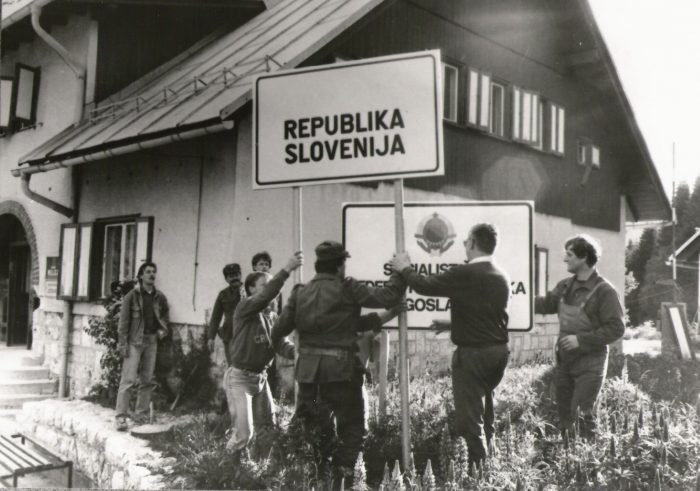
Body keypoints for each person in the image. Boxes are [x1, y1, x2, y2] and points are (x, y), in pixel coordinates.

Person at [271, 240, 406, 480]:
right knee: (353, 427)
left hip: (308, 375)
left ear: (318, 265)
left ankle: (310, 477)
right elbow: (389, 295)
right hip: (342, 373)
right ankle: (343, 477)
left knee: (309, 427)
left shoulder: (300, 292)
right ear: (340, 265)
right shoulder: (347, 288)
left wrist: (299, 353)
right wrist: (399, 270)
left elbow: (278, 331)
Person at [390, 223, 510, 469]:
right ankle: (492, 462)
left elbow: (424, 286)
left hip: (473, 355)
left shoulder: (464, 273)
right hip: (497, 353)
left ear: (474, 244)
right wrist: (453, 324)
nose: (464, 245)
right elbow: (485, 315)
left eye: (466, 241)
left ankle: (479, 473)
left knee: (469, 418)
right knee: (486, 410)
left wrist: (405, 269)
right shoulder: (500, 274)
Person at [535, 234, 624, 438]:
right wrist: (515, 299)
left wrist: (581, 340)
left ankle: (588, 464)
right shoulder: (565, 286)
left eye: (569, 254)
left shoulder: (605, 291)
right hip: (565, 361)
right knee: (565, 415)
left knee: (582, 415)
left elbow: (616, 328)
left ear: (584, 257)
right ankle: (569, 463)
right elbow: (545, 304)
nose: (565, 259)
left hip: (590, 364)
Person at [223, 252, 303, 456]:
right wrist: (287, 270)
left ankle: (260, 468)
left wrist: (297, 353)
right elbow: (266, 296)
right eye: (264, 286)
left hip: (260, 379)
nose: (272, 294)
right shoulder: (244, 309)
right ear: (251, 289)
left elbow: (279, 343)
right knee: (244, 434)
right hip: (240, 379)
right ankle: (226, 466)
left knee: (268, 427)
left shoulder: (271, 316)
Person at [115, 262, 170, 431]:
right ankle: (121, 417)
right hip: (134, 342)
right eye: (148, 272)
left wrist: (163, 329)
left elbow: (165, 315)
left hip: (151, 341)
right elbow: (123, 324)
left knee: (147, 380)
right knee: (128, 380)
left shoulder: (159, 297)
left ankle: (141, 414)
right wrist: (123, 344)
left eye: (154, 272)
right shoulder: (131, 296)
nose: (152, 275)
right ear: (140, 276)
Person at [207, 263, 243, 365]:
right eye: (231, 276)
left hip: (245, 334)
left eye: (236, 275)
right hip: (229, 335)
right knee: (232, 366)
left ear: (240, 275)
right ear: (226, 279)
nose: (235, 278)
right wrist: (211, 337)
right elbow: (216, 316)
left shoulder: (249, 291)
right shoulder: (223, 295)